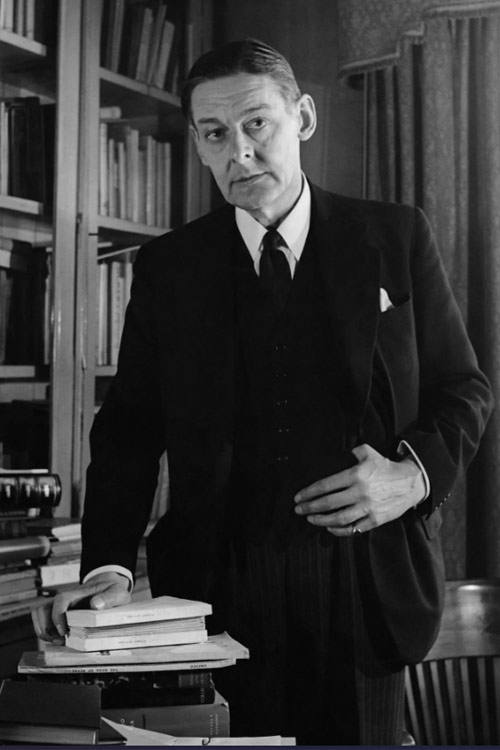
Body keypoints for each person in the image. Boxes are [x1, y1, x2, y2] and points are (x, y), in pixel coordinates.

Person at [33, 39, 493, 744]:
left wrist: (412, 477)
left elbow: (463, 388)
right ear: (198, 143)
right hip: (215, 595)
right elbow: (128, 432)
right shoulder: (168, 268)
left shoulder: (395, 236)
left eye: (256, 124)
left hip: (367, 584)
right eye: (216, 134)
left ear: (302, 117)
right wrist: (109, 566)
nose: (239, 153)